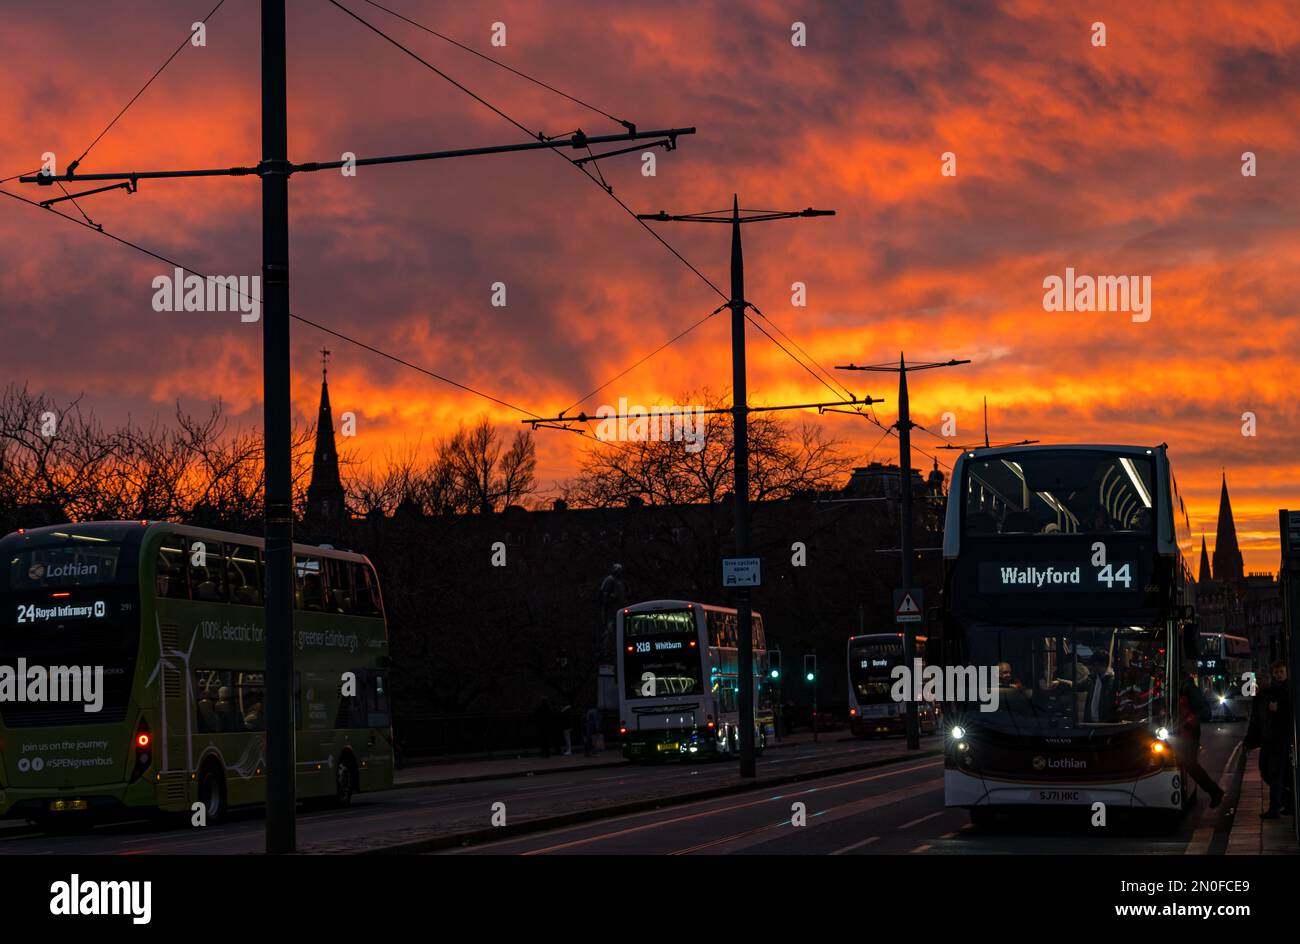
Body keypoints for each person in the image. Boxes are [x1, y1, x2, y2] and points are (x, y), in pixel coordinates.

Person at [1244, 661, 1293, 818]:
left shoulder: (1278, 692)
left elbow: (1289, 714)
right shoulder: (1259, 697)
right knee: (1265, 771)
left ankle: (1275, 807)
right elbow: (1255, 722)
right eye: (1257, 680)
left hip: (1278, 740)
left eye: (1261, 679)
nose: (1259, 682)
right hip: (1267, 741)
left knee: (1274, 773)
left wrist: (1278, 710)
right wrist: (1248, 742)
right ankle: (1287, 800)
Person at [1176, 660, 1226, 808]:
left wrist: (1188, 721)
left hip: (1188, 733)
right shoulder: (1180, 685)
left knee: (1190, 764)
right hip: (1181, 732)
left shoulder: (1188, 687)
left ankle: (1215, 792)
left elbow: (1205, 712)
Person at [1081, 650, 1117, 723]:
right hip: (1091, 722)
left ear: (1103, 664)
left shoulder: (1112, 682)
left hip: (1105, 724)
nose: (1092, 667)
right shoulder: (1092, 679)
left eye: (1095, 664)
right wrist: (1060, 682)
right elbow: (1077, 685)